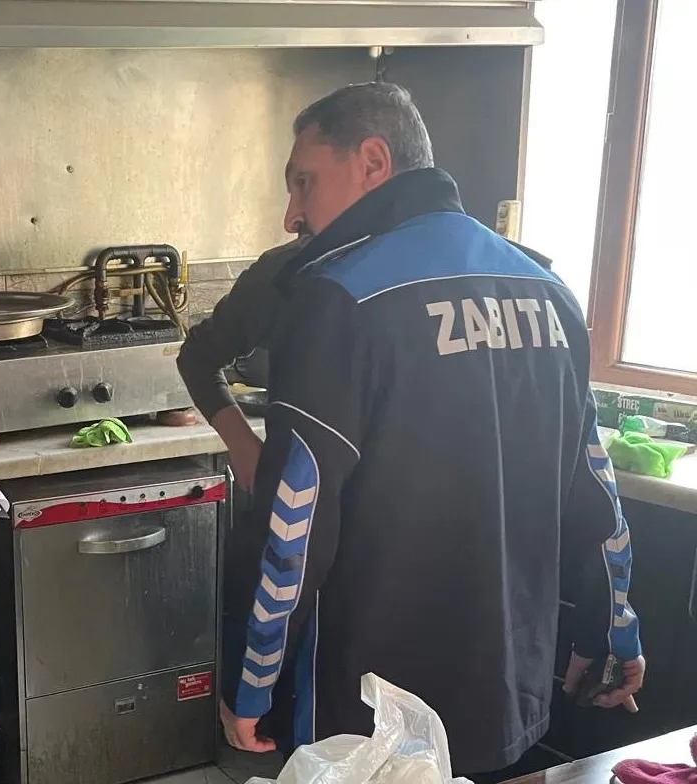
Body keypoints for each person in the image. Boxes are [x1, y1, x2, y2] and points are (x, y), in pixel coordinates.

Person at [217, 81, 647, 780]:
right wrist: (612, 632)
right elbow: (595, 494)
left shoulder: (337, 300)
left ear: (372, 162)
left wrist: (252, 682)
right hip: (505, 691)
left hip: (370, 714)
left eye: (304, 182)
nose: (293, 212)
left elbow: (294, 522)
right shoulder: (549, 293)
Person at [176, 237, 302, 491]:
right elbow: (198, 356)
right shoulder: (283, 270)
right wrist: (242, 445)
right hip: (294, 483)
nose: (289, 222)